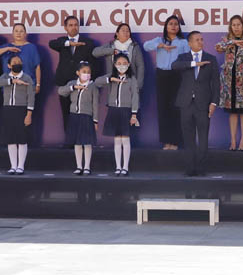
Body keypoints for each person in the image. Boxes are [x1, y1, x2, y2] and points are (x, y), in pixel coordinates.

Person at [172, 31, 220, 176]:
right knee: (188, 137)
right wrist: (195, 64)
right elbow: (175, 66)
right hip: (186, 103)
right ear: (190, 43)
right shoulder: (183, 58)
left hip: (203, 104)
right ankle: (190, 168)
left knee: (203, 137)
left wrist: (214, 103)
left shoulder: (211, 59)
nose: (200, 42)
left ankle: (201, 168)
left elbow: (216, 83)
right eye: (197, 40)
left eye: (202, 39)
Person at [143, 15, 189, 150]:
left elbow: (187, 59)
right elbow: (146, 46)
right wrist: (161, 45)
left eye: (176, 24)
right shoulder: (159, 40)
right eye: (170, 24)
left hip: (177, 76)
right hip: (162, 76)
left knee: (176, 109)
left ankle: (175, 141)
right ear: (166, 27)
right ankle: (166, 141)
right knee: (163, 109)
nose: (174, 26)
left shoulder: (183, 42)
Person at [49, 16, 96, 147]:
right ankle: (70, 142)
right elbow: (51, 44)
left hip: (82, 84)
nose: (73, 27)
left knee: (82, 113)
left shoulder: (87, 42)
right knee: (66, 113)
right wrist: (70, 44)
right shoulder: (62, 41)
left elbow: (93, 63)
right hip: (65, 83)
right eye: (70, 25)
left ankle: (82, 141)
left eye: (76, 24)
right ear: (65, 27)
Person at [216, 15, 243, 151]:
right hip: (229, 81)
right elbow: (218, 48)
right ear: (230, 27)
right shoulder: (226, 40)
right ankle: (233, 141)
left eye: (238, 24)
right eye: (233, 25)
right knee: (232, 112)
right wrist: (232, 42)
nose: (236, 27)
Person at [94, 53, 140, 175]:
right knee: (117, 141)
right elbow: (97, 82)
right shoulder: (111, 77)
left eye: (124, 63)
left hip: (126, 111)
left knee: (125, 140)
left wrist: (134, 114)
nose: (122, 66)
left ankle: (125, 167)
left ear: (129, 64)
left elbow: (135, 97)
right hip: (113, 110)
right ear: (114, 65)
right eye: (119, 63)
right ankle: (118, 167)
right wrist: (110, 79)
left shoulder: (132, 79)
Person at [0, 55, 36, 175]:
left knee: (22, 138)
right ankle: (13, 166)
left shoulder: (27, 78)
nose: (17, 64)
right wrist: (12, 81)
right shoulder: (6, 76)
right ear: (9, 65)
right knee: (11, 139)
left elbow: (31, 97)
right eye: (14, 62)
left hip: (22, 110)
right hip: (8, 109)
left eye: (19, 62)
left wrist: (29, 114)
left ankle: (20, 166)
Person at [58, 61, 99, 175]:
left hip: (87, 116)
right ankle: (79, 166)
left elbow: (95, 104)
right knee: (77, 143)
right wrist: (73, 87)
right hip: (74, 116)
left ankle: (87, 167)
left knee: (87, 143)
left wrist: (95, 120)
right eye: (84, 72)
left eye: (88, 72)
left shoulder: (92, 86)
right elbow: (61, 91)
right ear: (78, 72)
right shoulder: (72, 83)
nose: (86, 74)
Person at [93, 23, 145, 92]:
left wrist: (138, 84)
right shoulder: (110, 45)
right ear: (117, 34)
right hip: (113, 82)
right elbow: (95, 52)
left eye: (128, 31)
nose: (126, 33)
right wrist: (111, 51)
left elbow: (140, 66)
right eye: (123, 30)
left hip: (130, 82)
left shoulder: (135, 47)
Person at [0, 23, 41, 94]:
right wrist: (7, 49)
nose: (18, 33)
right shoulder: (7, 46)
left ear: (25, 33)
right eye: (16, 31)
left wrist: (38, 84)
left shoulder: (31, 47)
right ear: (12, 33)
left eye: (21, 31)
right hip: (9, 87)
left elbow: (37, 67)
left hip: (27, 86)